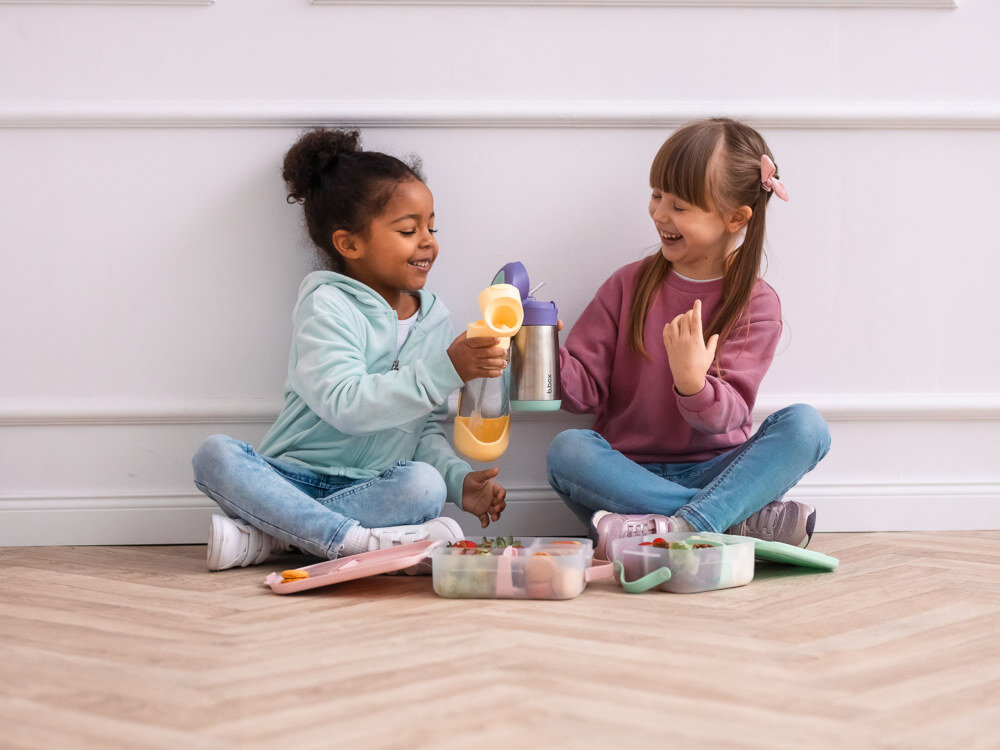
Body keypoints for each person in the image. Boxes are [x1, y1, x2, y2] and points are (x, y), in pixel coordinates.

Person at [192, 128, 508, 572]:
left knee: (425, 485)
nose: (428, 241)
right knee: (215, 455)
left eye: (431, 227)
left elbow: (422, 430)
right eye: (407, 229)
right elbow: (346, 405)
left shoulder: (435, 320)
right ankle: (352, 542)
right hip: (291, 481)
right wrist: (445, 370)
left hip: (372, 487)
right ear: (349, 244)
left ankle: (274, 538)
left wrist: (459, 482)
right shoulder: (328, 305)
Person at [546, 117, 831, 561]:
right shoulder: (627, 286)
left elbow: (731, 411)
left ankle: (676, 527)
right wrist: (536, 347)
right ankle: (731, 520)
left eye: (679, 206)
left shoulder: (756, 303)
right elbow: (583, 392)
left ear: (735, 218)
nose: (659, 214)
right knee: (568, 450)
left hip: (720, 472)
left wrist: (692, 384)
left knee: (807, 426)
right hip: (627, 474)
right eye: (657, 195)